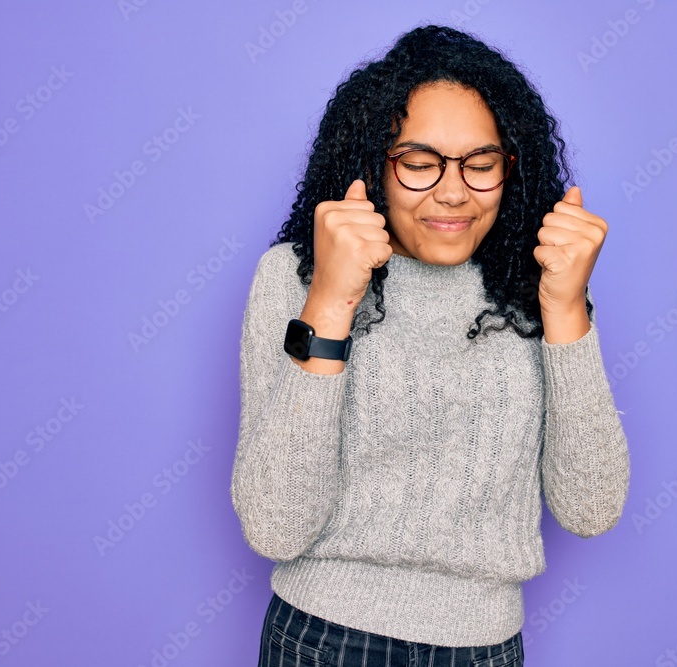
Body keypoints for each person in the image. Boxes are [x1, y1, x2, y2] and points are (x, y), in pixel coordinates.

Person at [231, 23, 630, 666]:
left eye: (480, 164)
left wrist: (565, 310)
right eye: (418, 164)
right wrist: (331, 304)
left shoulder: (539, 285)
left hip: (484, 648)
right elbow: (275, 523)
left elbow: (591, 508)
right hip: (322, 640)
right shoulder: (296, 276)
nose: (452, 191)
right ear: (371, 167)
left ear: (512, 166)